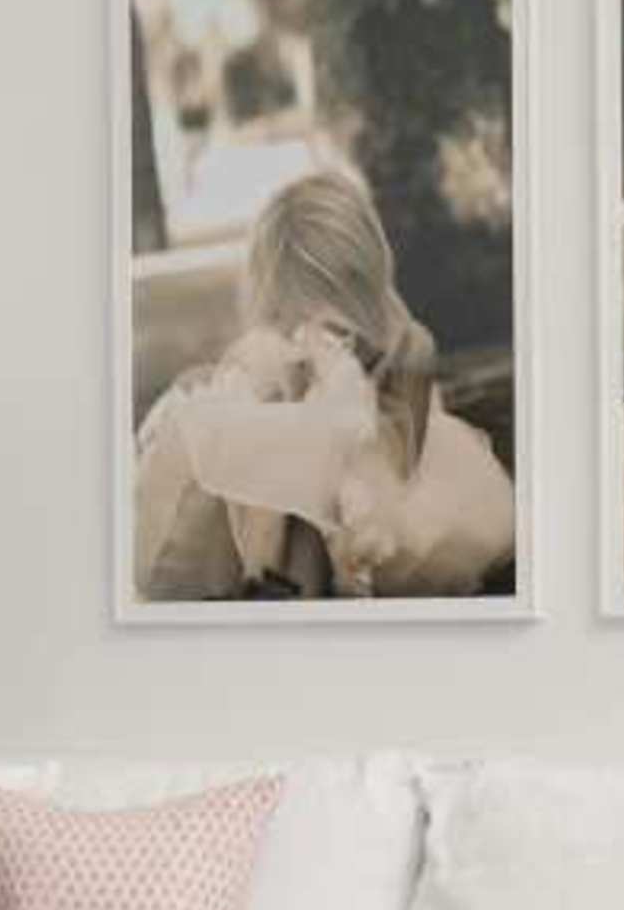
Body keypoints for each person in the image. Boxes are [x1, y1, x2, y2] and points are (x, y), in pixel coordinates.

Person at [133, 168, 517, 602]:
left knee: (318, 479)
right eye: (289, 313)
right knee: (241, 440)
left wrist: (336, 422)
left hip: (382, 500)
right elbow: (251, 456)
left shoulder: (408, 345)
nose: (310, 330)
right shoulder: (269, 349)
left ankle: (310, 583)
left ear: (362, 285)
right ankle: (275, 584)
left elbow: (399, 459)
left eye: (333, 310)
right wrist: (270, 401)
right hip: (284, 520)